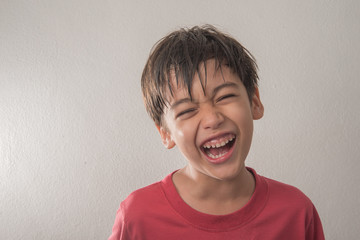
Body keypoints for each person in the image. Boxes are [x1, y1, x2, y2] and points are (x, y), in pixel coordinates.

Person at [108, 25, 325, 239]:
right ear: (165, 133)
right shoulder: (137, 218)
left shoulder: (297, 212)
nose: (212, 119)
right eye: (187, 110)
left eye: (225, 97)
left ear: (254, 102)